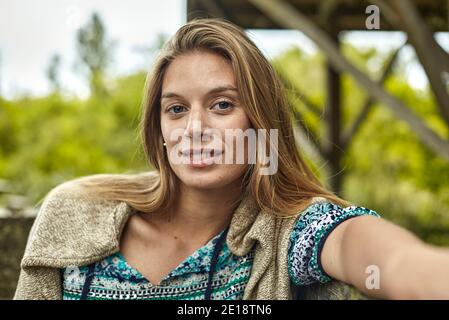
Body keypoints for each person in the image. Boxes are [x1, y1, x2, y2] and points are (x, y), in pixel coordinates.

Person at [14, 18, 449, 300]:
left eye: (222, 105)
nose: (195, 128)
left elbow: (383, 258)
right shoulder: (76, 211)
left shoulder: (292, 233)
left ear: (261, 122)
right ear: (159, 130)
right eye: (176, 109)